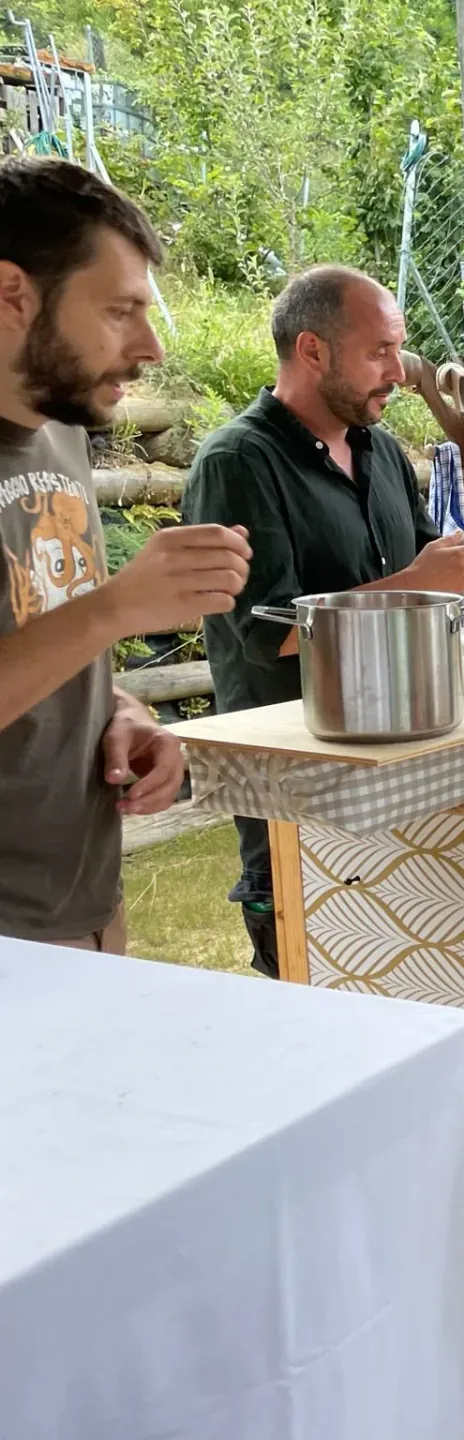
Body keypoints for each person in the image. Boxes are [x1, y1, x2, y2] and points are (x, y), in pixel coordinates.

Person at [184, 265, 464, 977]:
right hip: (300, 788)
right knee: (309, 1019)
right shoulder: (238, 461)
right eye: (380, 352)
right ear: (312, 350)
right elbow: (270, 635)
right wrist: (414, 586)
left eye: (399, 350)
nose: (401, 371)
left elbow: (436, 576)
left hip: (399, 769)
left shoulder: (382, 450)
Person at [0, 158, 252, 951]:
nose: (150, 345)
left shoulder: (63, 429)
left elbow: (42, 635)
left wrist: (123, 714)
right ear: (11, 295)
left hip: (83, 904)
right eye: (120, 311)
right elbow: (85, 619)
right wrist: (117, 608)